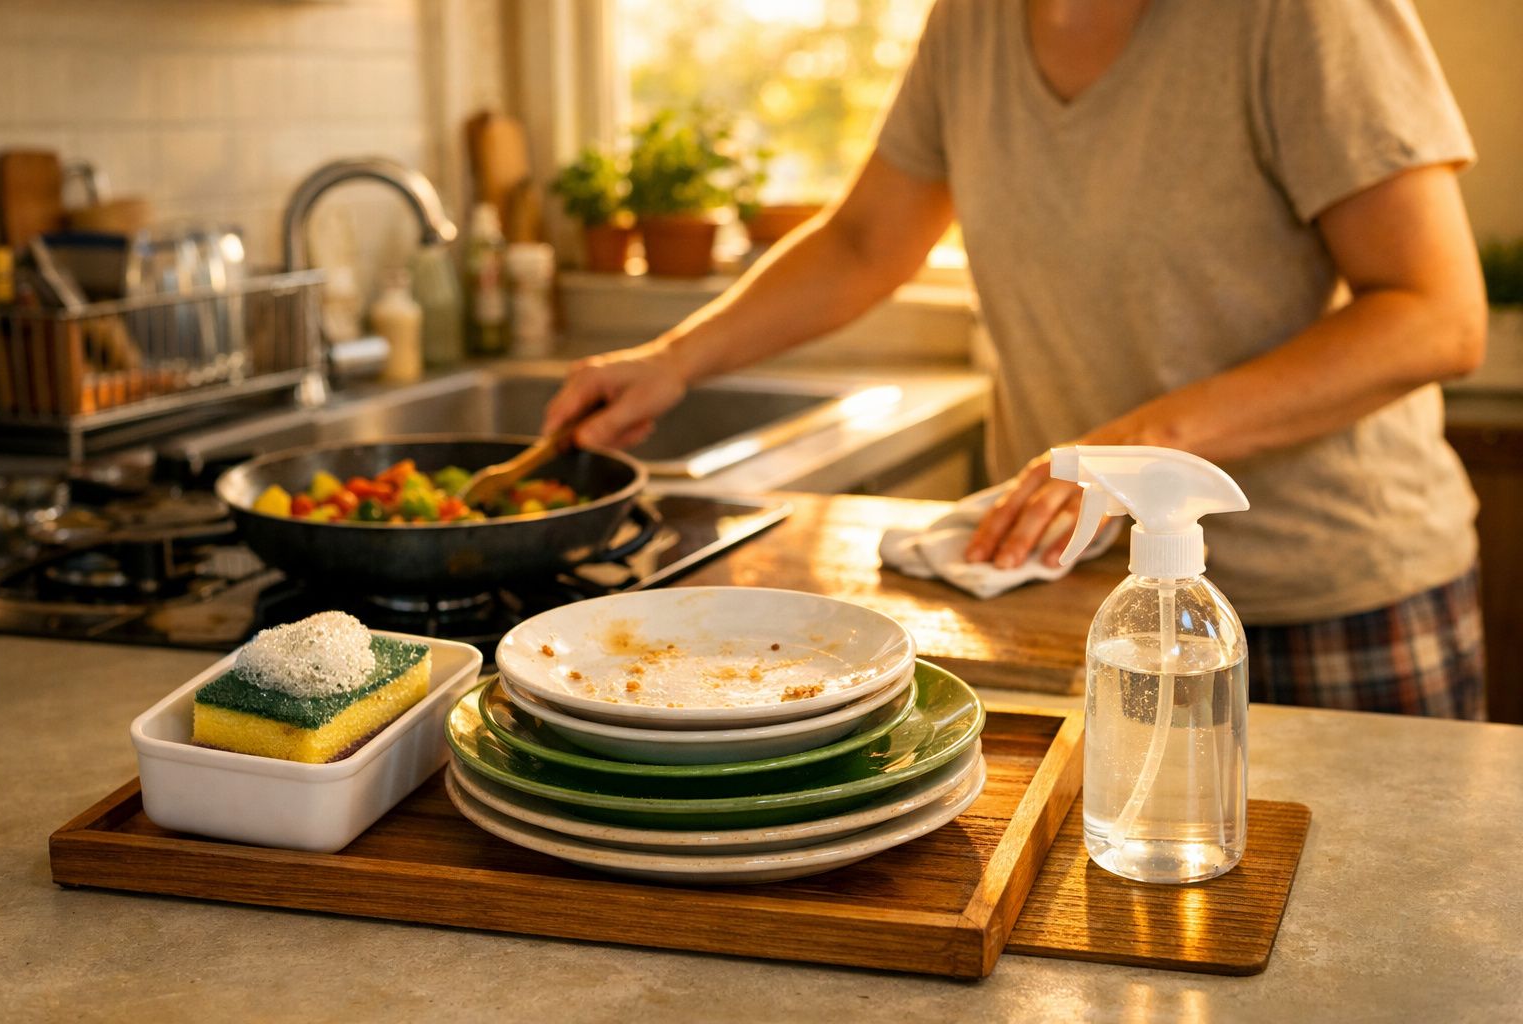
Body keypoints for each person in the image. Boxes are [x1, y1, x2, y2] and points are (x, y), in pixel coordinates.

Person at [544, 0, 1488, 719]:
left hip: (1327, 600)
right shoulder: (976, 19)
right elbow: (871, 239)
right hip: (1088, 602)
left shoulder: (1297, 16)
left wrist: (1136, 448)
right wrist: (674, 359)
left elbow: (1436, 316)